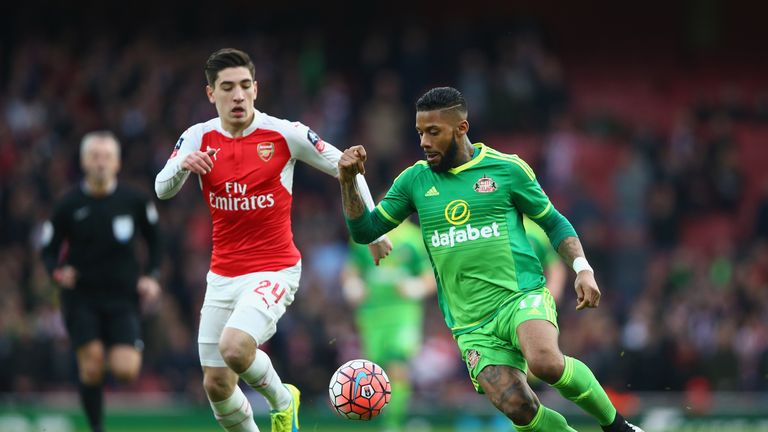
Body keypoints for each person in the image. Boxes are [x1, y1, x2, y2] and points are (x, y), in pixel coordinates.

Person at [337, 87, 644, 432]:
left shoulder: (506, 169)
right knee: (518, 406)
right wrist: (348, 182)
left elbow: (553, 221)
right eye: (420, 132)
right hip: (470, 324)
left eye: (433, 132)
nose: (424, 141)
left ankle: (618, 427)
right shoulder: (414, 181)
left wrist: (582, 268)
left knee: (544, 363)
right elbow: (366, 231)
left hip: (519, 295)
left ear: (461, 128)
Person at [154, 48, 391, 432]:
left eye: (245, 86)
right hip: (222, 275)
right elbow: (162, 189)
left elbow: (346, 167)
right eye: (227, 88)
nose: (238, 96)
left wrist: (373, 227)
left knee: (235, 348)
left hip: (275, 268)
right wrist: (182, 167)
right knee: (216, 385)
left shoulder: (284, 133)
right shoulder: (197, 137)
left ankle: (284, 400)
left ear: (256, 89)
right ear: (211, 94)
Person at [41, 131, 162, 432]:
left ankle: (104, 348)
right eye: (94, 156)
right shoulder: (68, 205)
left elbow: (156, 241)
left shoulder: (134, 201)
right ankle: (97, 426)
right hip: (81, 296)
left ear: (117, 163)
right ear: (83, 162)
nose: (100, 163)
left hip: (123, 298)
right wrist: (57, 271)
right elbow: (48, 248)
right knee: (93, 365)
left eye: (106, 156)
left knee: (125, 370)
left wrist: (152, 276)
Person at [341, 218, 435, 432]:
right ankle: (387, 417)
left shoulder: (413, 237)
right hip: (372, 313)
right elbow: (351, 268)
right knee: (379, 367)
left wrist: (417, 287)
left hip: (402, 311)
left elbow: (429, 274)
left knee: (398, 362)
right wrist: (352, 285)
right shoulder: (364, 235)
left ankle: (394, 423)